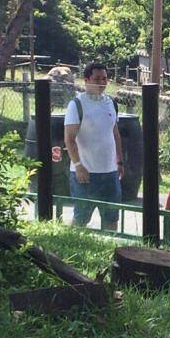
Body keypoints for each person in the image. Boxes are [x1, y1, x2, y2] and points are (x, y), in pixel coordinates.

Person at [64, 62, 124, 231]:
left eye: (104, 78)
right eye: (97, 78)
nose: (101, 82)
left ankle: (110, 252)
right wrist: (78, 165)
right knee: (81, 219)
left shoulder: (111, 102)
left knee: (111, 218)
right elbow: (69, 139)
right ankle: (71, 249)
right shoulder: (76, 105)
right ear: (86, 80)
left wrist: (119, 162)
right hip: (85, 174)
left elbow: (115, 134)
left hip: (110, 173)